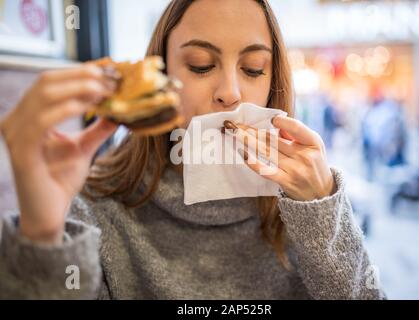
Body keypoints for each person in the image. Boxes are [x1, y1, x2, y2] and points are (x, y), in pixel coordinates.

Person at [0, 0, 384, 299]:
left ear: (274, 81)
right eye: (201, 65)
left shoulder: (308, 204)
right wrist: (44, 234)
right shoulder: (95, 212)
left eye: (252, 68)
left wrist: (322, 211)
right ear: (164, 74)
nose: (230, 93)